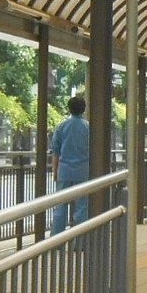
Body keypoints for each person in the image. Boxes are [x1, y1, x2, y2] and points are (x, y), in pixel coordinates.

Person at [50, 95, 90, 234]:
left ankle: (56, 241)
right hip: (83, 170)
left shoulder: (62, 126)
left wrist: (55, 171)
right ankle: (81, 240)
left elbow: (55, 151)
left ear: (69, 109)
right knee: (82, 206)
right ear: (83, 109)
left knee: (60, 205)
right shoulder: (88, 127)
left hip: (64, 170)